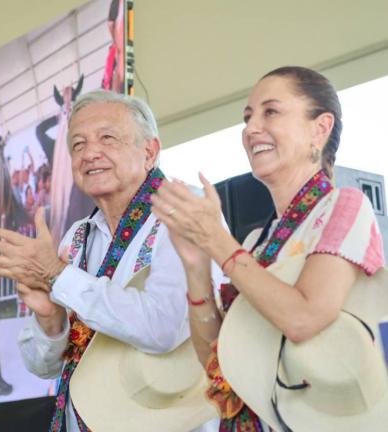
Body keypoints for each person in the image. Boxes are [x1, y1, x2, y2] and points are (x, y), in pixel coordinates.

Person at [152, 66, 386, 431]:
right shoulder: (254, 243)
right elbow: (219, 360)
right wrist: (196, 264)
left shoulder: (346, 206)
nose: (250, 128)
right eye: (247, 117)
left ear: (320, 128)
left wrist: (216, 239)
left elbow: (303, 318)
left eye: (270, 112)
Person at [0, 90, 221, 431]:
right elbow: (42, 366)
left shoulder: (184, 209)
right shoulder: (78, 236)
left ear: (149, 151)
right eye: (77, 144)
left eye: (108, 138)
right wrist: (49, 319)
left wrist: (58, 275)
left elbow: (163, 328)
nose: (90, 153)